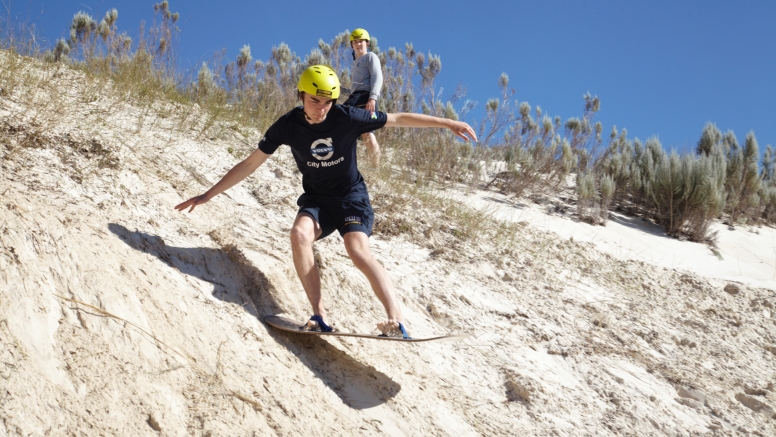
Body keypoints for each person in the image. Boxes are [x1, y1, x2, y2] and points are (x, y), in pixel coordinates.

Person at [175, 65, 477, 339]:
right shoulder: (287, 126)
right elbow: (251, 164)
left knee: (357, 251)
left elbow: (396, 119)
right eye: (314, 100)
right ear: (301, 95)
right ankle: (319, 316)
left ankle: (396, 322)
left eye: (328, 101)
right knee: (298, 234)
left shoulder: (347, 117)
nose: (321, 108)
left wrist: (447, 122)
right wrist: (208, 194)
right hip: (318, 200)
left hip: (351, 198)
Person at [342, 28, 382, 166]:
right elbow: (356, 88)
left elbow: (378, 77)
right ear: (352, 45)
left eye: (361, 42)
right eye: (355, 42)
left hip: (365, 98)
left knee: (340, 116)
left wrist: (373, 98)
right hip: (358, 96)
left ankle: (375, 166)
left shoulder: (370, 57)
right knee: (364, 132)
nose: (358, 44)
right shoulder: (357, 63)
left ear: (367, 43)